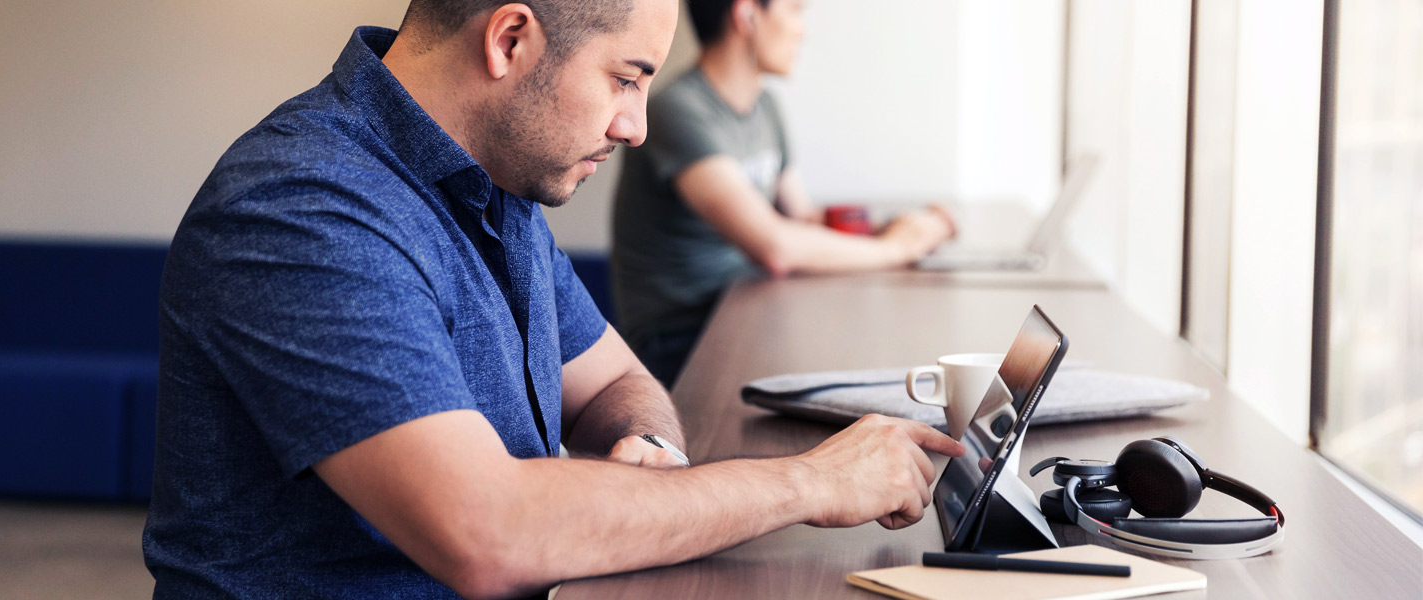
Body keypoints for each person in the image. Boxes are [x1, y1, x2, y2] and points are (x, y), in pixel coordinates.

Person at [143, 1, 964, 598]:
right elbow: (486, 532)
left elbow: (612, 382)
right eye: (625, 78)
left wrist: (653, 454)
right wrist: (812, 484)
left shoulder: (498, 189)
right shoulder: (300, 207)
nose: (636, 126)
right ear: (510, 40)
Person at [611, 0, 956, 387]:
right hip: (684, 339)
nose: (802, 30)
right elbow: (775, 246)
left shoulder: (765, 107)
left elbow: (802, 218)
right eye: (794, 11)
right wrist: (897, 249)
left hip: (749, 310)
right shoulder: (676, 111)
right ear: (747, 15)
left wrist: (892, 227)